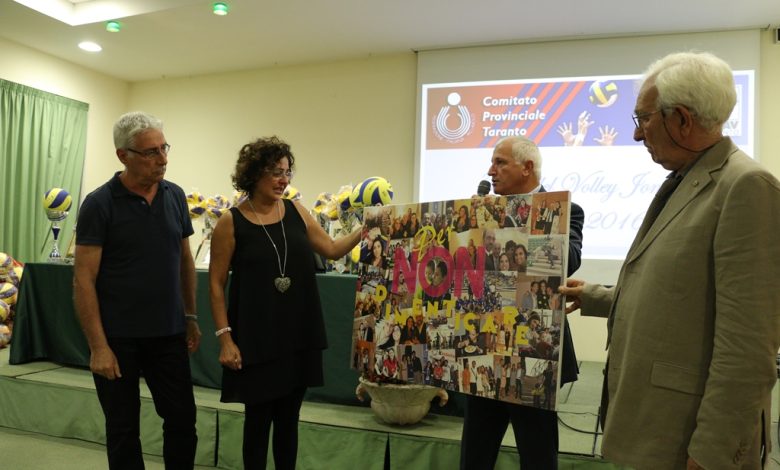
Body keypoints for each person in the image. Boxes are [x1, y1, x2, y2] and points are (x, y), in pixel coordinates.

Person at [559, 52, 780, 470]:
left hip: (690, 444)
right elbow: (680, 296)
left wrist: (712, 453)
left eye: (643, 119)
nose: (636, 134)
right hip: (657, 431)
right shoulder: (687, 181)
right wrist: (595, 297)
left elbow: (749, 346)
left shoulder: (746, 186)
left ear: (681, 119)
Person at [209, 136, 361, 470]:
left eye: (287, 172)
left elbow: (332, 249)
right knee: (258, 421)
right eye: (276, 172)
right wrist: (225, 339)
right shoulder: (230, 222)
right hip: (256, 338)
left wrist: (367, 229)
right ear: (254, 174)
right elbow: (216, 284)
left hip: (297, 334)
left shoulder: (296, 211)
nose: (284, 179)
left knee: (289, 421)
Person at [73, 111, 201, 469]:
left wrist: (191, 316)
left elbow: (185, 261)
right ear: (123, 155)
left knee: (182, 422)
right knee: (123, 429)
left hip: (169, 334)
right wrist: (98, 347)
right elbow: (83, 280)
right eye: (150, 152)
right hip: (118, 339)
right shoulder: (99, 204)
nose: (162, 159)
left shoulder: (175, 196)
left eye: (164, 148)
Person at [460, 135, 584, 470]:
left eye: (500, 162)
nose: (491, 171)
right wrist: (474, 228)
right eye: (492, 163)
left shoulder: (565, 210)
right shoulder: (482, 213)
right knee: (475, 453)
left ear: (527, 167)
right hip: (486, 347)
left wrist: (510, 225)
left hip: (534, 353)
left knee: (537, 453)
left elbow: (569, 261)